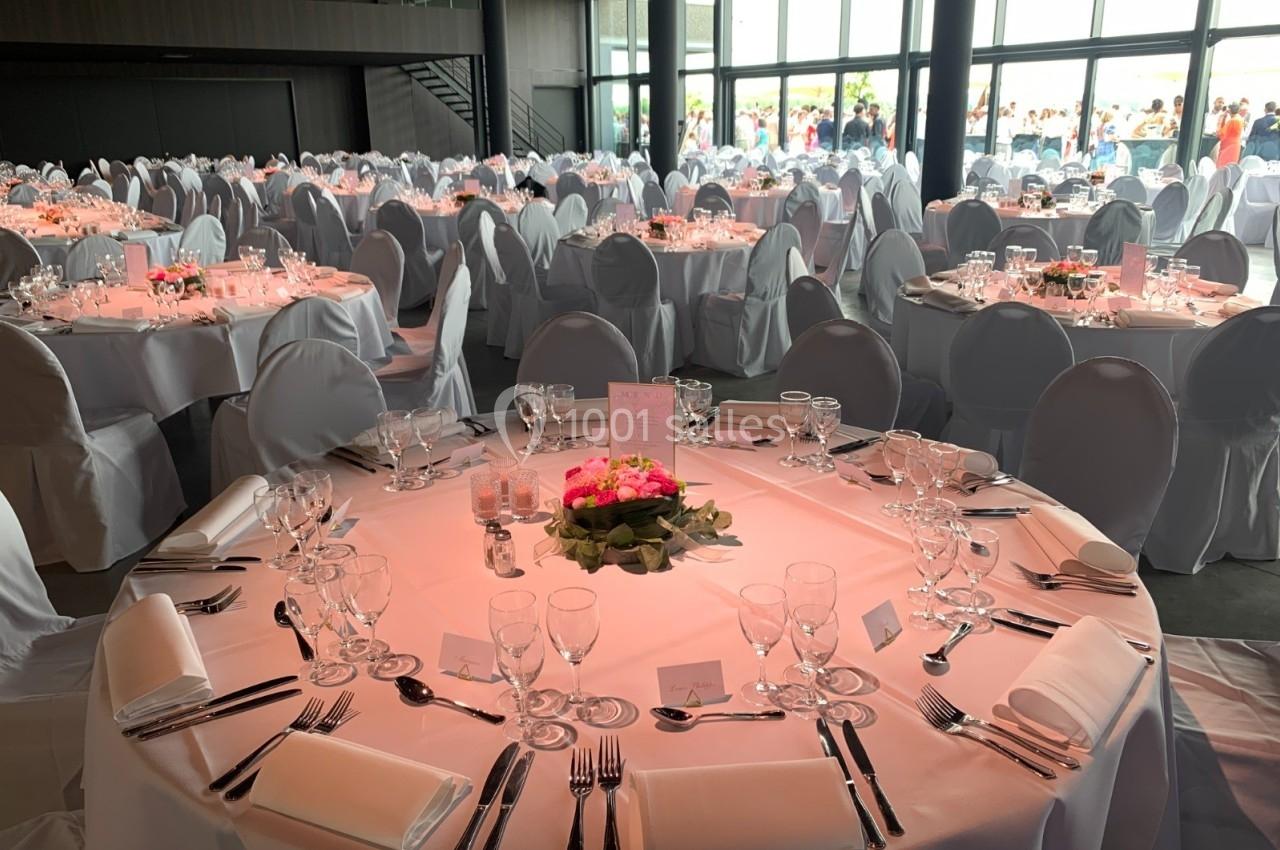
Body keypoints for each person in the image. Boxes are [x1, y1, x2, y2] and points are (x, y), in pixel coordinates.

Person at [1216, 102, 1245, 166]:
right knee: (1231, 165)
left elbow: (1220, 133)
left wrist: (1222, 118)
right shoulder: (1240, 119)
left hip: (1227, 145)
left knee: (1222, 166)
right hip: (1236, 145)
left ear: (1229, 110)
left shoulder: (1232, 121)